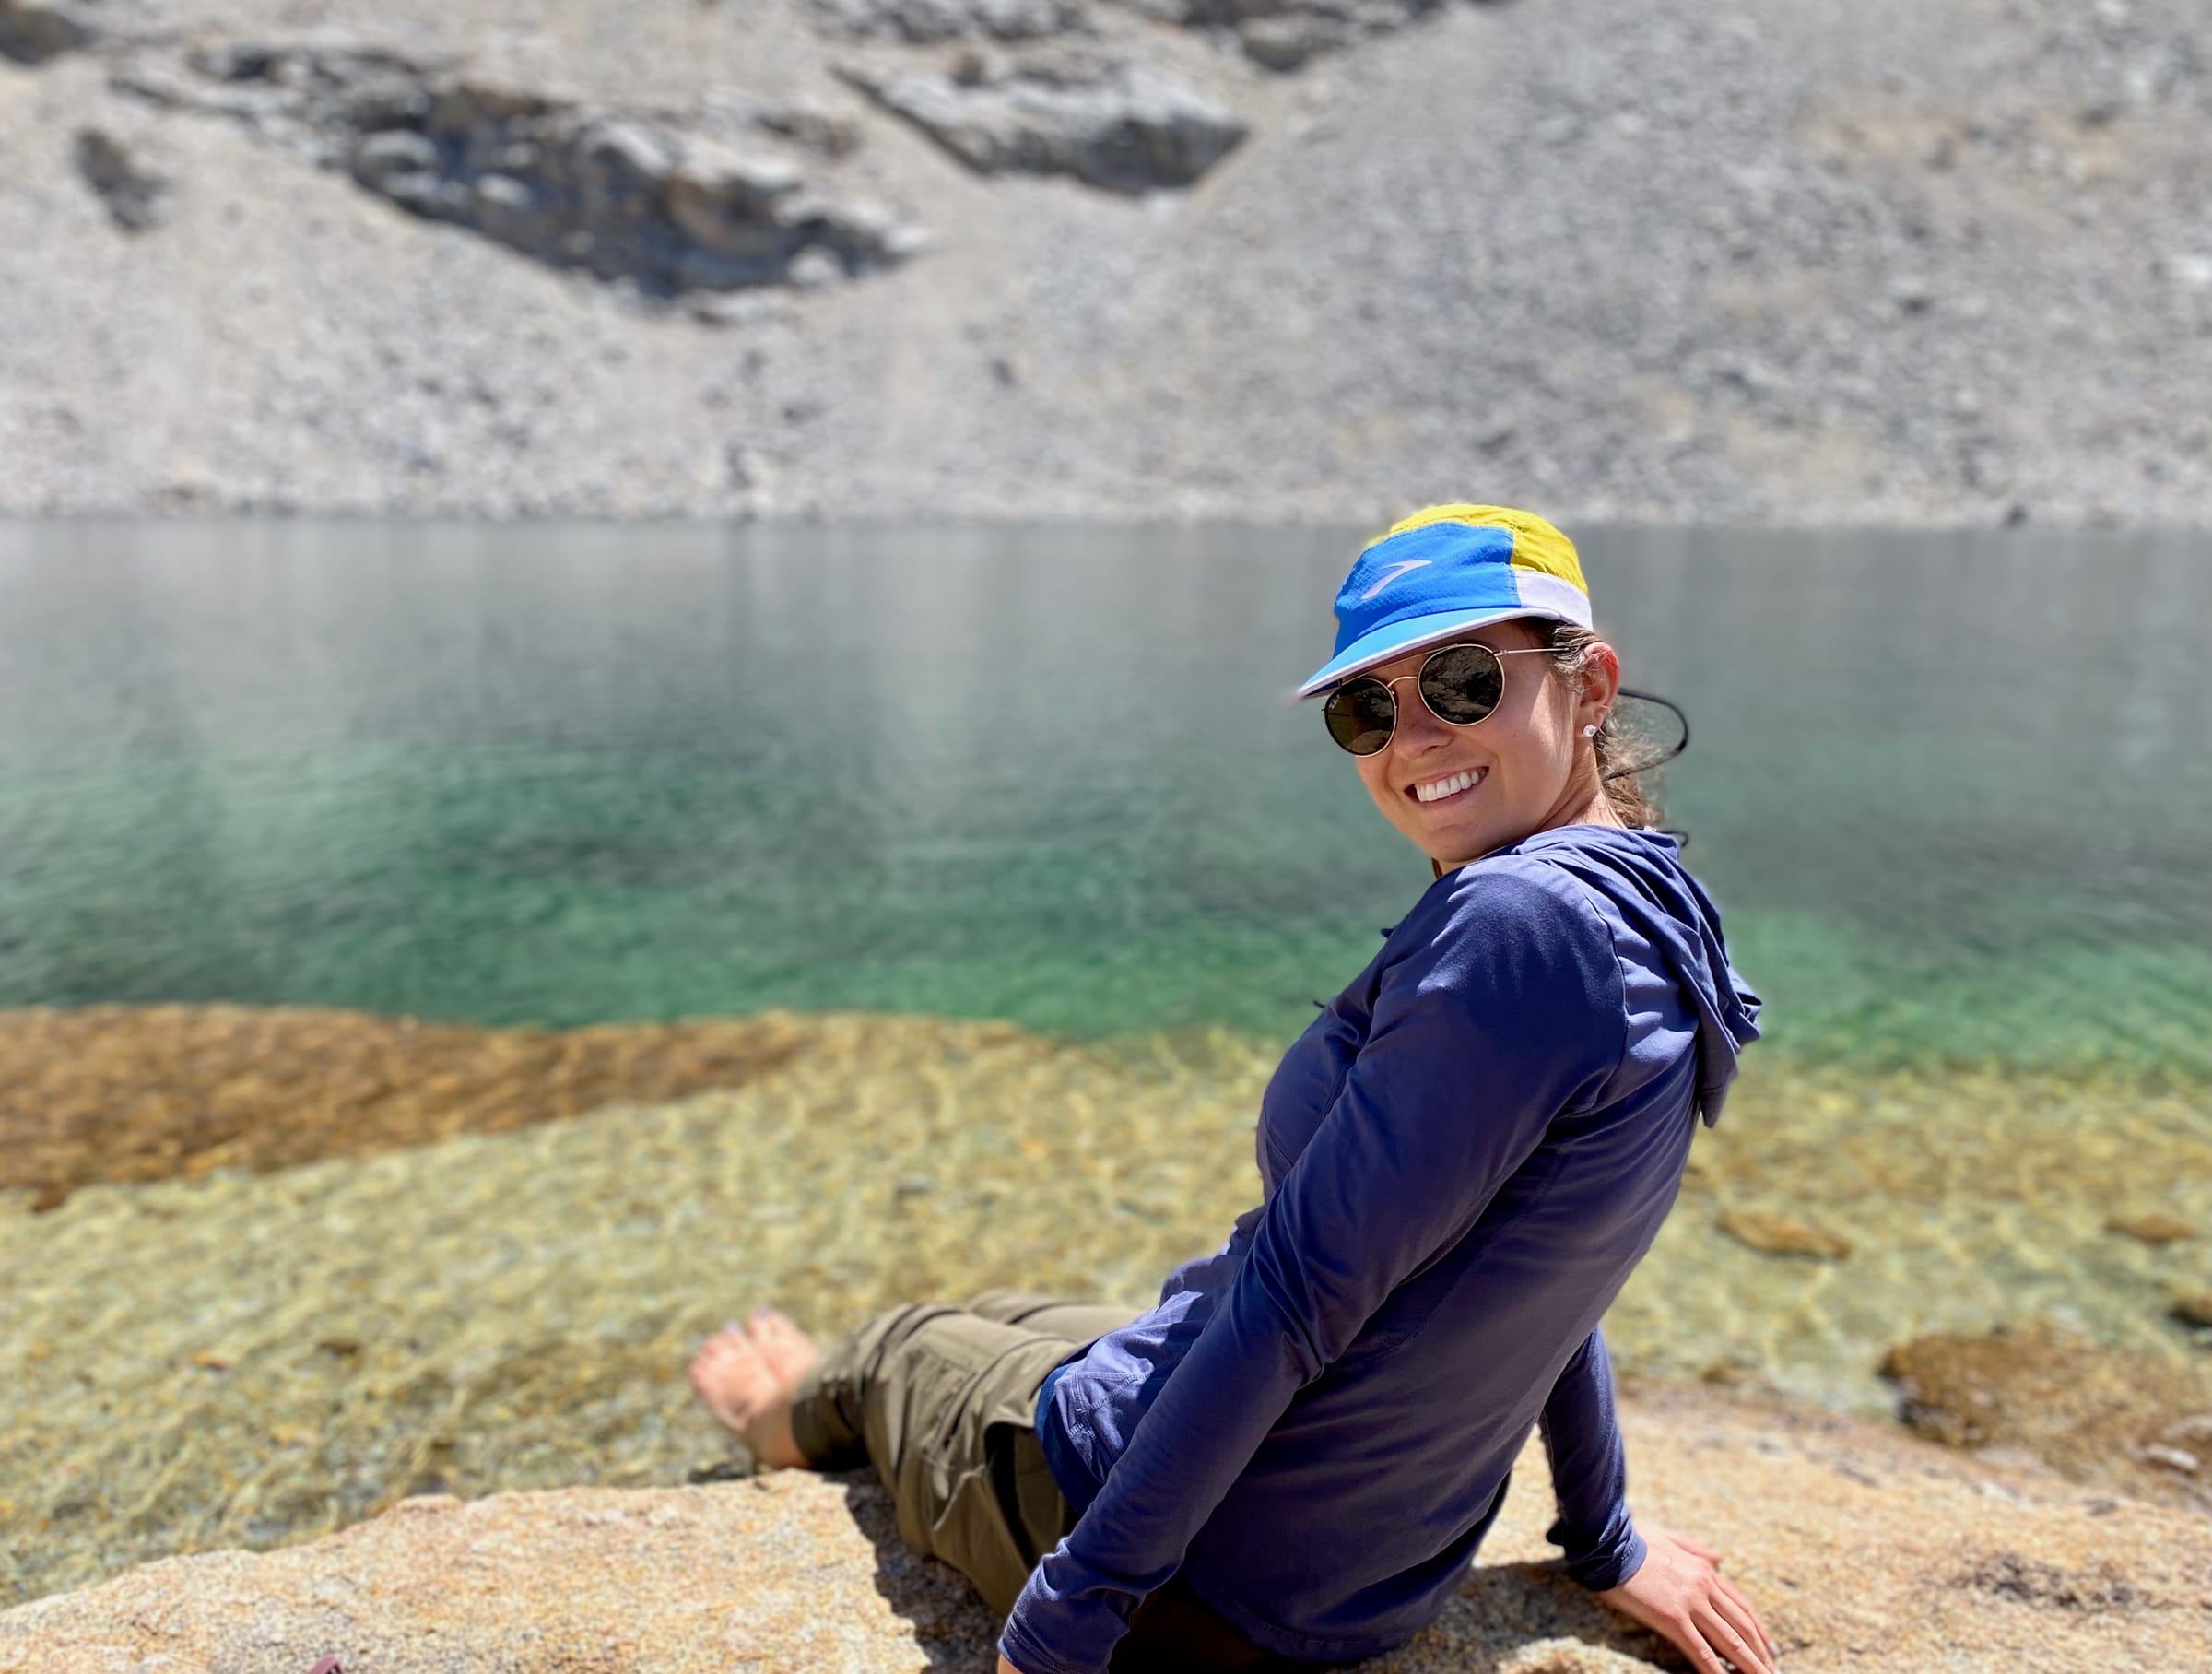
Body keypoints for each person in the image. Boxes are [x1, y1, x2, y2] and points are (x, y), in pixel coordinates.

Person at [690, 504, 1777, 1674]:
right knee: (1009, 1314)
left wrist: (1068, 1623)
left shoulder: (1512, 923)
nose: (1413, 740)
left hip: (1207, 1582)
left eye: (1463, 681)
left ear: (1592, 680)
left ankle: (778, 1412)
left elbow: (1304, 1292)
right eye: (1369, 708)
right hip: (1354, 1573)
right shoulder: (1653, 911)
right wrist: (1601, 1538)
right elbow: (1547, 1253)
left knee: (904, 1344)